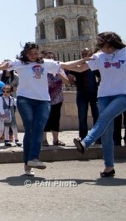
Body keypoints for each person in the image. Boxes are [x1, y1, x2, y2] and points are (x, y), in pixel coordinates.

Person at [0, 42, 80, 177]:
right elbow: (0, 65)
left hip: (43, 101)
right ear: (25, 54)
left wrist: (86, 60)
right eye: (30, 53)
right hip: (25, 100)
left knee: (39, 128)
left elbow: (67, 65)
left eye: (35, 53)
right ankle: (28, 163)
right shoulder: (19, 63)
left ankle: (33, 159)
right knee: (30, 128)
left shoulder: (46, 63)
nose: (33, 56)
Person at [72, 32, 126, 178]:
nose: (100, 47)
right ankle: (109, 167)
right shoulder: (99, 56)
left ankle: (85, 143)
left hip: (123, 94)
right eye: (99, 45)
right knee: (106, 131)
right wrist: (60, 66)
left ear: (111, 42)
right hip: (103, 95)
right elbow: (81, 68)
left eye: (102, 44)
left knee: (103, 119)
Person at [67, 47, 100, 140]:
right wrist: (77, 84)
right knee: (82, 116)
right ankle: (83, 136)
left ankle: (97, 137)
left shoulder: (93, 65)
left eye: (86, 53)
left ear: (90, 53)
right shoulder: (77, 65)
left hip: (94, 93)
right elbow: (70, 77)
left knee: (96, 116)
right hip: (82, 94)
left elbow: (100, 76)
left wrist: (97, 84)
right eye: (83, 53)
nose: (85, 54)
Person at [42, 51, 70, 147]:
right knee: (45, 119)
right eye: (48, 57)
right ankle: (44, 140)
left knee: (55, 119)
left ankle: (56, 140)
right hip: (45, 98)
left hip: (57, 98)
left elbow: (66, 81)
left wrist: (58, 73)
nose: (51, 59)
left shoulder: (59, 69)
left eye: (52, 57)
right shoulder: (43, 70)